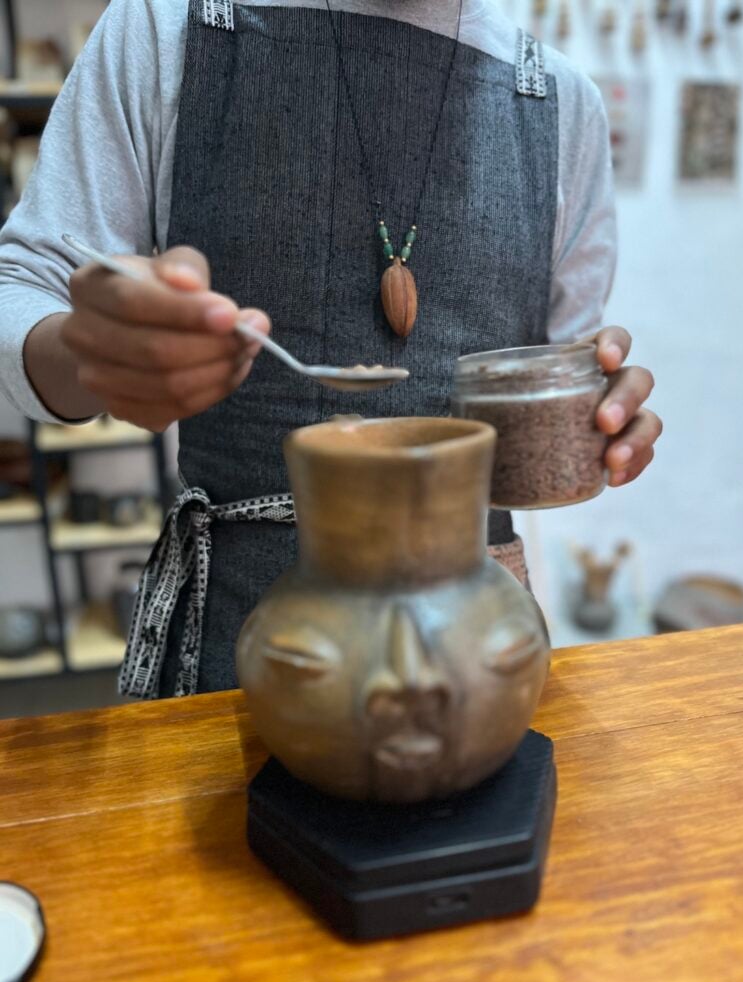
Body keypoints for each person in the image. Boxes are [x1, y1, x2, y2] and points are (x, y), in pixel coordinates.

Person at [0, 0, 661, 699]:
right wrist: (91, 353)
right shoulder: (168, 26)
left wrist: (596, 414)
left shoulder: (558, 100)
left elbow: (566, 357)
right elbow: (26, 283)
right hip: (247, 639)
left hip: (479, 644)